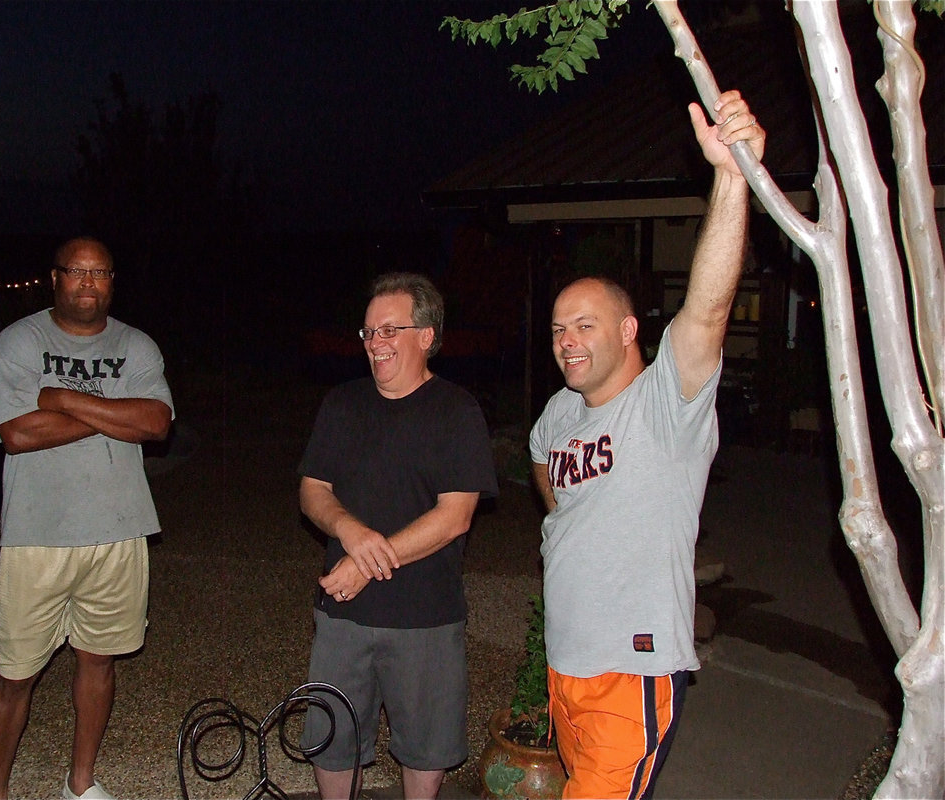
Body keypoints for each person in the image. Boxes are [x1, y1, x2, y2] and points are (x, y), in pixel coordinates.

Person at [528, 90, 766, 799]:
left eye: (585, 326)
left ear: (630, 332)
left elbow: (710, 308)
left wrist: (730, 178)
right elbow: (543, 462)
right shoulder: (560, 412)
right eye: (557, 329)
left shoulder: (667, 403)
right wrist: (565, 516)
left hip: (630, 674)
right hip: (564, 666)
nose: (567, 341)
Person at [0, 237, 173, 800]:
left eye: (100, 273)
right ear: (55, 278)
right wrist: (117, 415)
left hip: (119, 533)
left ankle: (80, 784)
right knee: (14, 676)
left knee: (100, 662)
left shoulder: (138, 346)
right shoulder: (19, 341)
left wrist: (60, 399)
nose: (88, 283)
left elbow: (157, 423)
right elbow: (16, 434)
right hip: (36, 537)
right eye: (76, 272)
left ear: (113, 281)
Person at [297, 272, 499, 800]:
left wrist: (362, 562)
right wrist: (349, 529)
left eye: (389, 330)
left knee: (425, 747)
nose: (375, 343)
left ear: (426, 335)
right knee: (332, 738)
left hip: (424, 613)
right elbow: (313, 490)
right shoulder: (342, 404)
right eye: (368, 333)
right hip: (342, 612)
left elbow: (455, 515)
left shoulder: (457, 411)